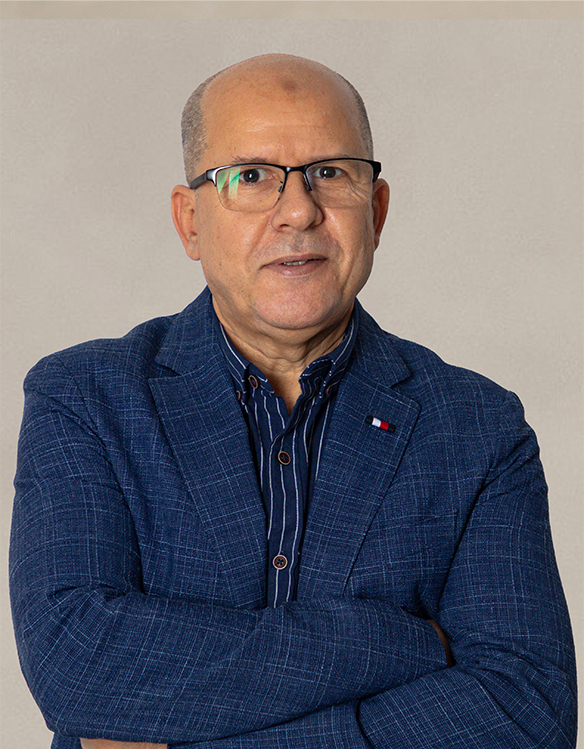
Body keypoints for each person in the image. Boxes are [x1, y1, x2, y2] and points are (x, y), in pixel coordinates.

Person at [10, 53, 576, 749]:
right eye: (251, 176)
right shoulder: (85, 399)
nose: (300, 210)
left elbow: (527, 715)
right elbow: (76, 666)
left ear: (377, 210)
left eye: (330, 173)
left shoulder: (478, 427)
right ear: (190, 222)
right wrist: (396, 640)